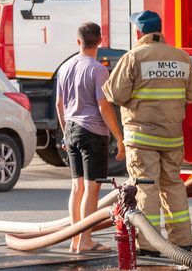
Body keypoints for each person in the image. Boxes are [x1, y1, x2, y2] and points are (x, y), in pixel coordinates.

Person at [102, 10, 192, 257]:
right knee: (174, 186)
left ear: (138, 32)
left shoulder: (133, 57)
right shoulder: (181, 58)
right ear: (159, 30)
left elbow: (114, 94)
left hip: (142, 138)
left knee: (146, 188)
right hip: (172, 137)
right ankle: (182, 243)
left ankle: (149, 245)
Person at [56, 22, 126, 253]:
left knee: (77, 187)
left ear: (78, 42)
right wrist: (119, 137)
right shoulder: (98, 69)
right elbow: (104, 107)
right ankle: (85, 240)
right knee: (92, 187)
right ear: (100, 41)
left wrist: (66, 132)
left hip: (72, 130)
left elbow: (59, 104)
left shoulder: (64, 67)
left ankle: (74, 240)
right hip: (92, 133)